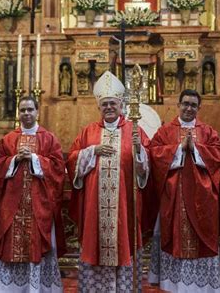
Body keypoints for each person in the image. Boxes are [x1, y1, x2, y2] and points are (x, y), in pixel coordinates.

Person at [67, 71, 150, 292]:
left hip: (124, 206)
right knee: (95, 243)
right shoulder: (89, 132)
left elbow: (145, 170)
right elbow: (72, 160)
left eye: (113, 103)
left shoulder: (134, 130)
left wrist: (139, 150)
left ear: (121, 104)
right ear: (99, 107)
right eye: (105, 105)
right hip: (95, 206)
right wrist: (92, 151)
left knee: (124, 243)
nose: (109, 108)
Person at [0, 96, 66, 292]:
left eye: (30, 109)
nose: (26, 113)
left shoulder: (49, 138)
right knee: (11, 245)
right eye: (23, 110)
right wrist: (13, 160)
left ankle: (35, 288)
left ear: (37, 112)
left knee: (36, 245)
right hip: (12, 205)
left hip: (39, 205)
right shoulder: (8, 139)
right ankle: (8, 288)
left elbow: (58, 167)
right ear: (18, 113)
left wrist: (35, 159)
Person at [148, 89, 220, 293]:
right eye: (185, 104)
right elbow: (154, 155)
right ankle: (174, 285)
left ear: (199, 108)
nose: (189, 108)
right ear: (178, 105)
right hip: (173, 198)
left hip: (202, 199)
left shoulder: (208, 131)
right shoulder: (165, 132)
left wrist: (197, 149)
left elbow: (219, 155)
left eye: (193, 105)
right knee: (174, 238)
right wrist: (179, 148)